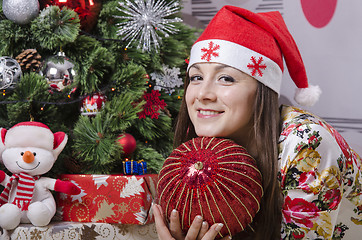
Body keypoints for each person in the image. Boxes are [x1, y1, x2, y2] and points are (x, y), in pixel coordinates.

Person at [153, 5, 362, 240]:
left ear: (262, 91)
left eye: (226, 78)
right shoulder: (207, 146)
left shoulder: (306, 143)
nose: (203, 94)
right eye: (196, 77)